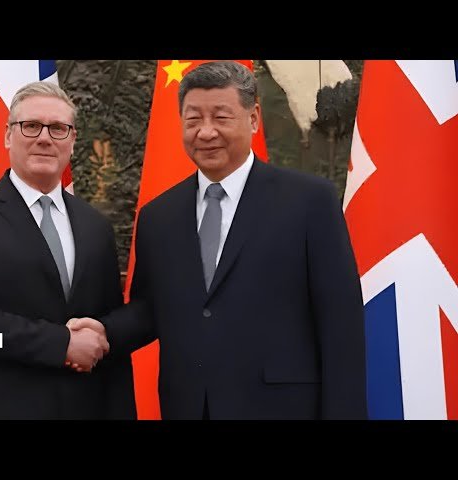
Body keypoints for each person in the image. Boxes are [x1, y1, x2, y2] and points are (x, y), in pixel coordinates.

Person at [69, 61, 367, 419]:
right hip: (190, 407)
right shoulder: (158, 216)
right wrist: (104, 331)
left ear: (253, 118)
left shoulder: (309, 201)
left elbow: (340, 325)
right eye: (193, 119)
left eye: (221, 117)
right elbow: (151, 309)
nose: (206, 132)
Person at [0, 81, 136, 419]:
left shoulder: (95, 226)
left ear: (72, 141)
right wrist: (62, 344)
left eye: (58, 128)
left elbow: (104, 320)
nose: (44, 138)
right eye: (30, 126)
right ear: (8, 136)